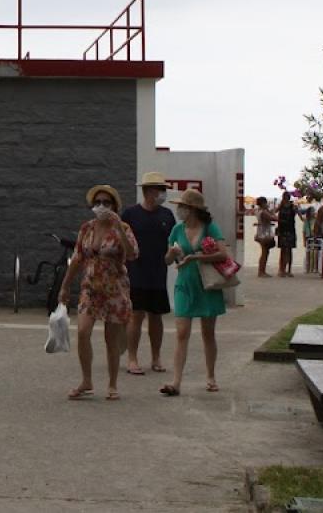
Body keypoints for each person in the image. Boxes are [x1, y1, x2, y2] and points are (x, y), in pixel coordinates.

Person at [59, 184, 138, 401]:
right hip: (91, 288)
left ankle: (112, 384)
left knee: (111, 339)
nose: (101, 206)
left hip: (114, 289)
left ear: (114, 205)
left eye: (106, 202)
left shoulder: (123, 228)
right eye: (97, 202)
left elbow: (132, 254)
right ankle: (87, 380)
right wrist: (65, 286)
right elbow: (77, 258)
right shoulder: (87, 228)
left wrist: (119, 229)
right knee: (83, 331)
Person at [159, 189, 229, 396]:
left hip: (207, 284)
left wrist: (196, 257)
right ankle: (176, 381)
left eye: (183, 206)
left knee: (208, 333)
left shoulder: (210, 228)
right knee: (182, 332)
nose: (179, 210)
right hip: (185, 284)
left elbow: (222, 253)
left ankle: (210, 376)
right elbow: (167, 260)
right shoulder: (177, 230)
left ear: (192, 209)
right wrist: (171, 254)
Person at [121, 171, 176, 376]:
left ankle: (156, 357)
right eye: (160, 189)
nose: (163, 193)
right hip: (135, 273)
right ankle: (132, 358)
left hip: (158, 274)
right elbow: (121, 241)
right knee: (136, 316)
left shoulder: (167, 215)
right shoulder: (130, 214)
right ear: (148, 191)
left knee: (156, 316)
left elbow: (173, 242)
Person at [275, 191, 297, 278]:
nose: (285, 199)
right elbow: (274, 212)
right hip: (282, 230)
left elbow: (298, 213)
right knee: (283, 250)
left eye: (286, 197)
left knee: (289, 250)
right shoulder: (281, 206)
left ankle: (289, 270)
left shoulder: (292, 206)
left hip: (290, 229)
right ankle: (282, 269)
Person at [254, 196, 276, 277]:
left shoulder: (258, 211)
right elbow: (273, 218)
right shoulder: (263, 212)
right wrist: (273, 212)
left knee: (264, 252)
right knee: (265, 252)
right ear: (263, 203)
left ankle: (262, 270)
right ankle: (261, 271)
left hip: (260, 232)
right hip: (264, 233)